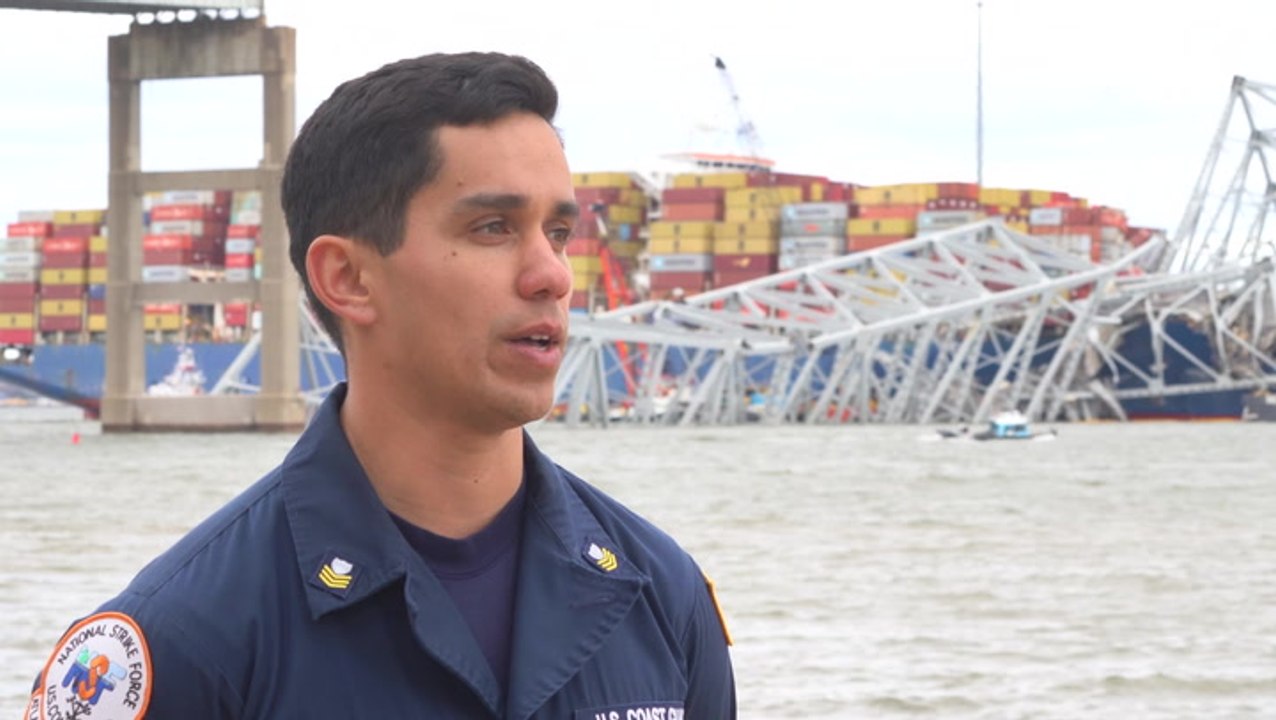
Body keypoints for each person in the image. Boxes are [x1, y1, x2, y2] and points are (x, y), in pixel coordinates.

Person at [24, 52, 736, 719]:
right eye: (493, 227)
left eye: (558, 231)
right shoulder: (182, 641)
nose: (551, 274)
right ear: (348, 278)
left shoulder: (659, 594)